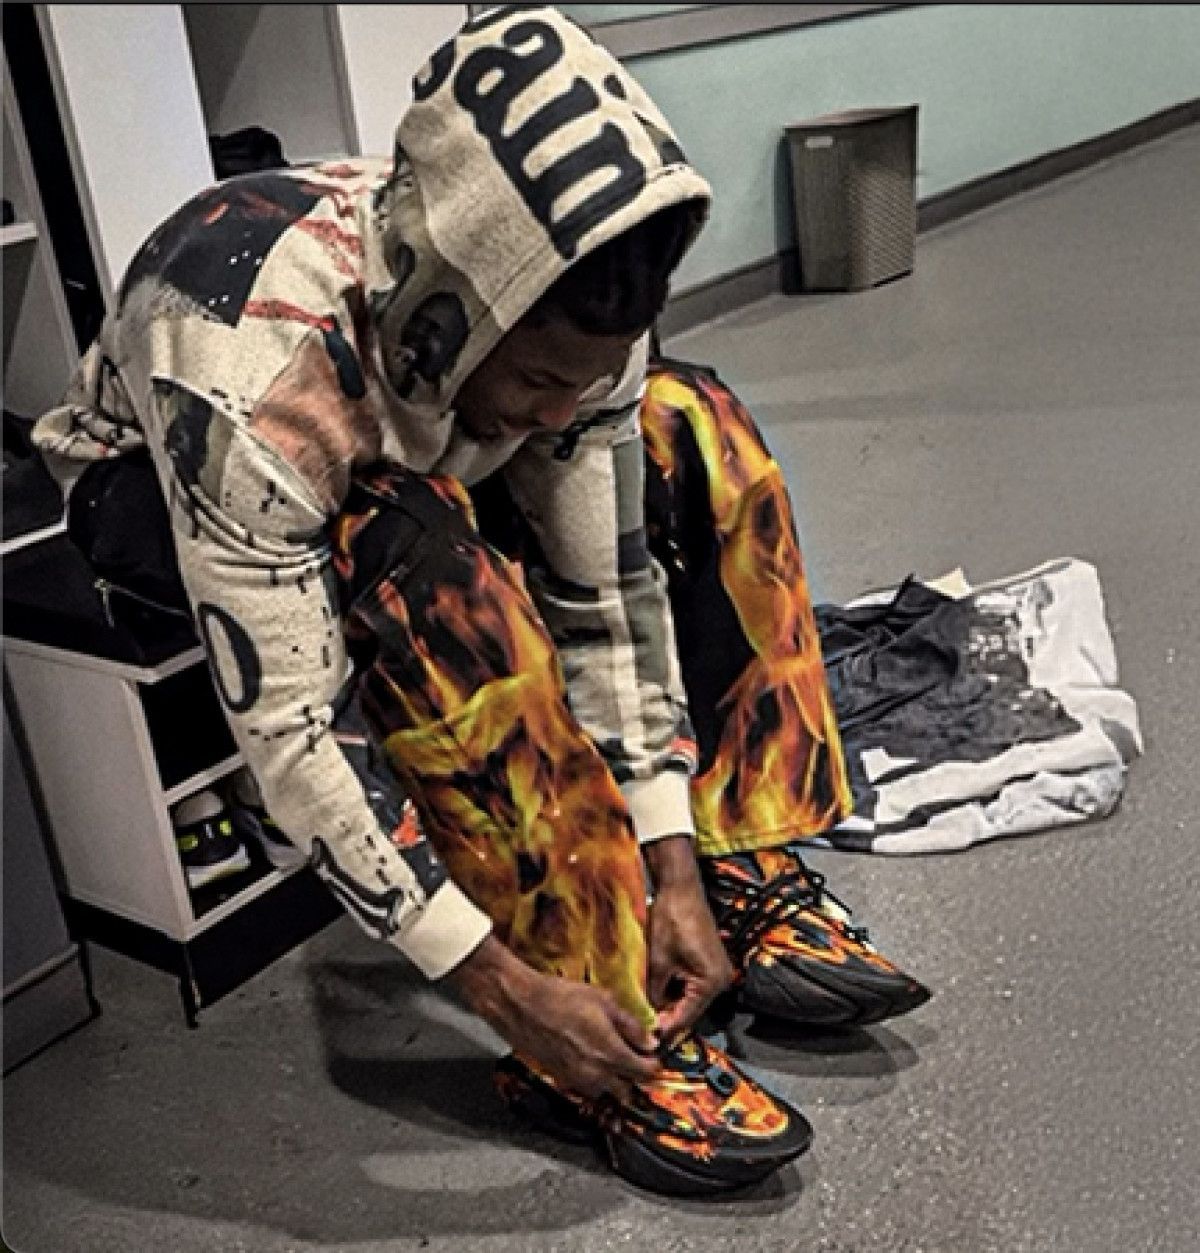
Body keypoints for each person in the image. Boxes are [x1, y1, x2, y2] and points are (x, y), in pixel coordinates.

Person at [33, 6, 927, 1194]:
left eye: (581, 381)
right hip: (154, 492)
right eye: (546, 377)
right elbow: (295, 736)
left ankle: (735, 859)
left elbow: (606, 594)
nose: (564, 411)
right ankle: (594, 1020)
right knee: (419, 558)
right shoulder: (254, 380)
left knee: (693, 424)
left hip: (424, 422)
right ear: (451, 313)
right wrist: (500, 984)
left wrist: (671, 853)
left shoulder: (570, 312)